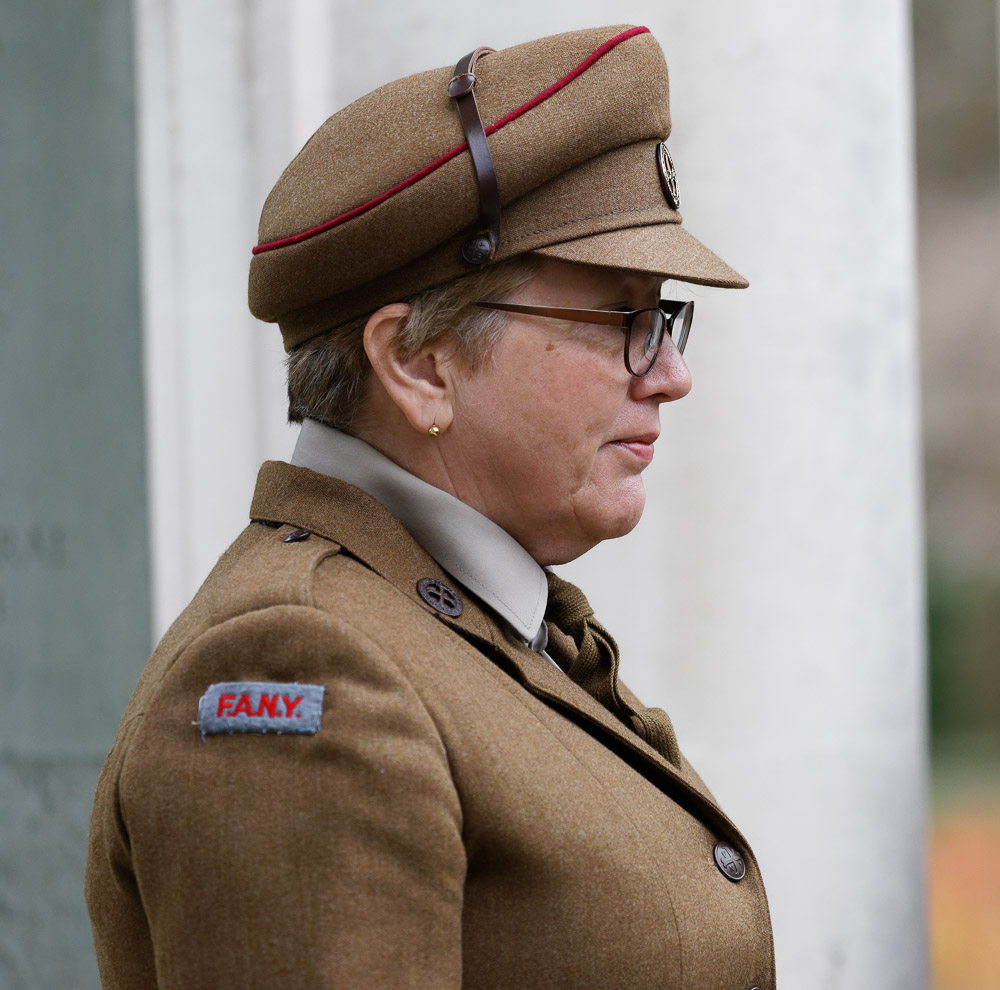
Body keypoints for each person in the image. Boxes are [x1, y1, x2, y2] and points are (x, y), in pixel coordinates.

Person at [86, 23, 774, 990]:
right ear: (416, 364)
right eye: (622, 316)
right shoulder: (304, 664)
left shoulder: (469, 622)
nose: (670, 373)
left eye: (663, 317)